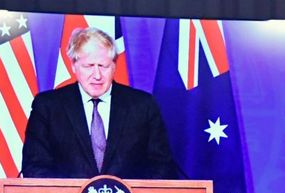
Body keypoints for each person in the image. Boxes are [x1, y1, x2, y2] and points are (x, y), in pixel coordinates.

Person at [21, 27, 181, 179]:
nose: (97, 75)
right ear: (74, 66)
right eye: (89, 66)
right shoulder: (48, 106)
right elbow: (35, 167)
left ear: (114, 66)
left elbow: (162, 166)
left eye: (103, 66)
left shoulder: (142, 105)